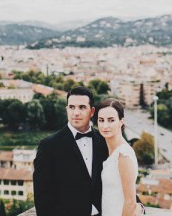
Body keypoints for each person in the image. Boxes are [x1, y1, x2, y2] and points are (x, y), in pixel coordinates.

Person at [33, 87, 144, 216]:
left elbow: (120, 182)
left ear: (91, 111)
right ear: (67, 109)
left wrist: (138, 206)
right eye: (71, 107)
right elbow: (42, 197)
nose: (76, 112)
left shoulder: (104, 141)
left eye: (82, 107)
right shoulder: (49, 146)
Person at [97, 98, 139, 216]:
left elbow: (131, 203)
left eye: (111, 120)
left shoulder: (123, 154)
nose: (105, 125)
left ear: (121, 122)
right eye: (101, 120)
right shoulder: (108, 150)